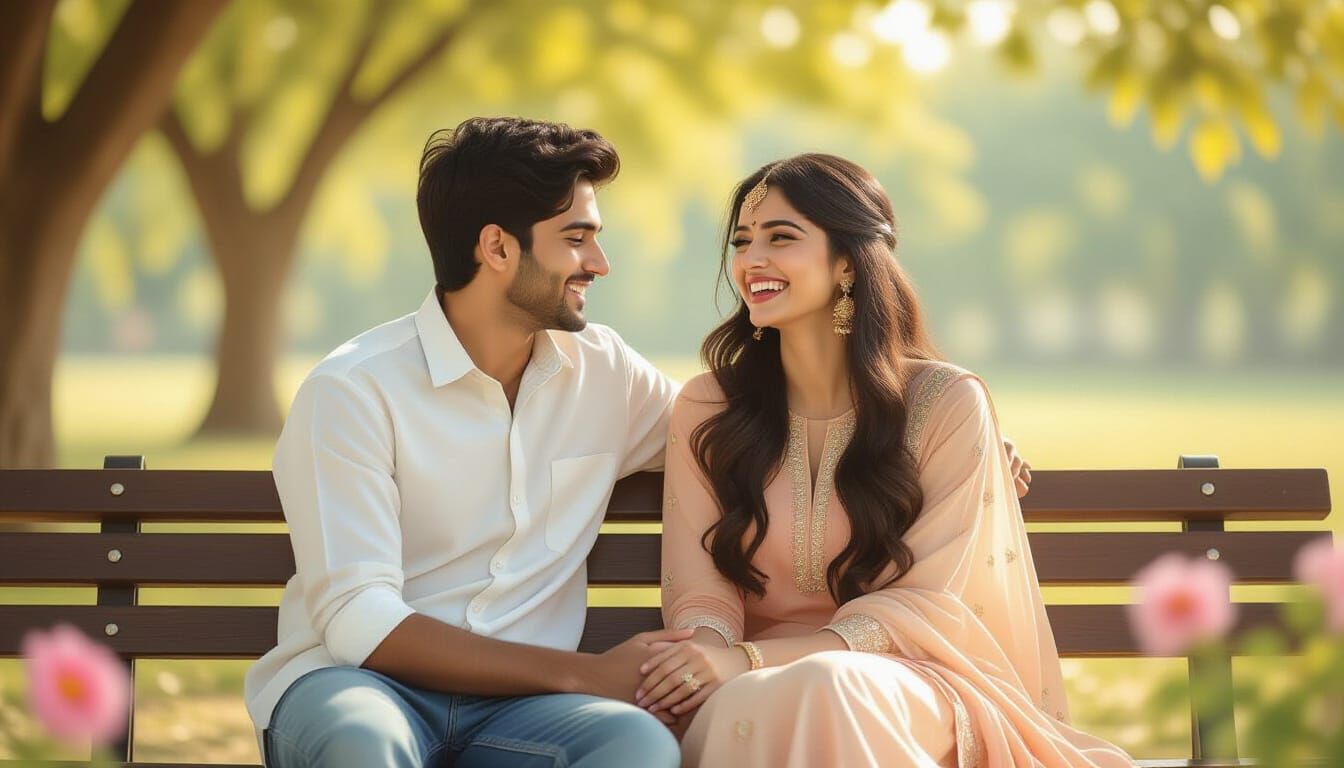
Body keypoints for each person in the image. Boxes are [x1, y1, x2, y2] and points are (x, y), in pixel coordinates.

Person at [244, 117, 1035, 767]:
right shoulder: (354, 391)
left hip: (525, 716)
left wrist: (949, 442)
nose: (602, 262)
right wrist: (584, 673)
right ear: (496, 248)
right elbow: (359, 622)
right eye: (578, 238)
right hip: (360, 687)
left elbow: (743, 437)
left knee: (636, 749)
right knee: (361, 743)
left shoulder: (605, 375)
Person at [642, 154, 1135, 766]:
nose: (751, 260)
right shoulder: (709, 407)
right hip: (746, 685)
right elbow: (701, 589)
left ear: (847, 261)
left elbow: (925, 602)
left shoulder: (946, 404)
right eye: (742, 241)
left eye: (781, 238)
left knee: (824, 687)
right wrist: (708, 654)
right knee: (760, 701)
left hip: (910, 677)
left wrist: (747, 659)